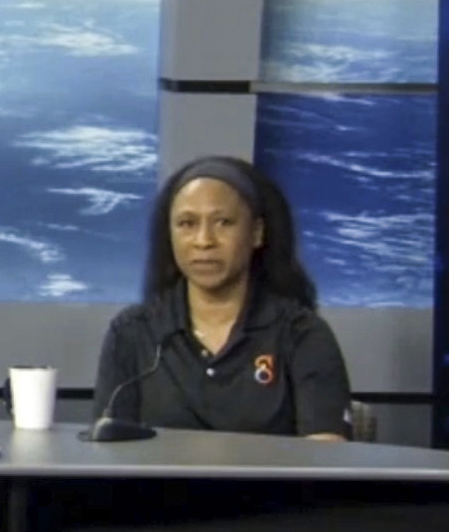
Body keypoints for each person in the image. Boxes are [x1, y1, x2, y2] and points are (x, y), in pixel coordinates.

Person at [92, 155, 350, 440]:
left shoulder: (302, 334)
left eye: (223, 222)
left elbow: (325, 457)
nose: (203, 241)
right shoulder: (132, 332)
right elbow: (109, 450)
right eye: (187, 224)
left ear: (256, 233)